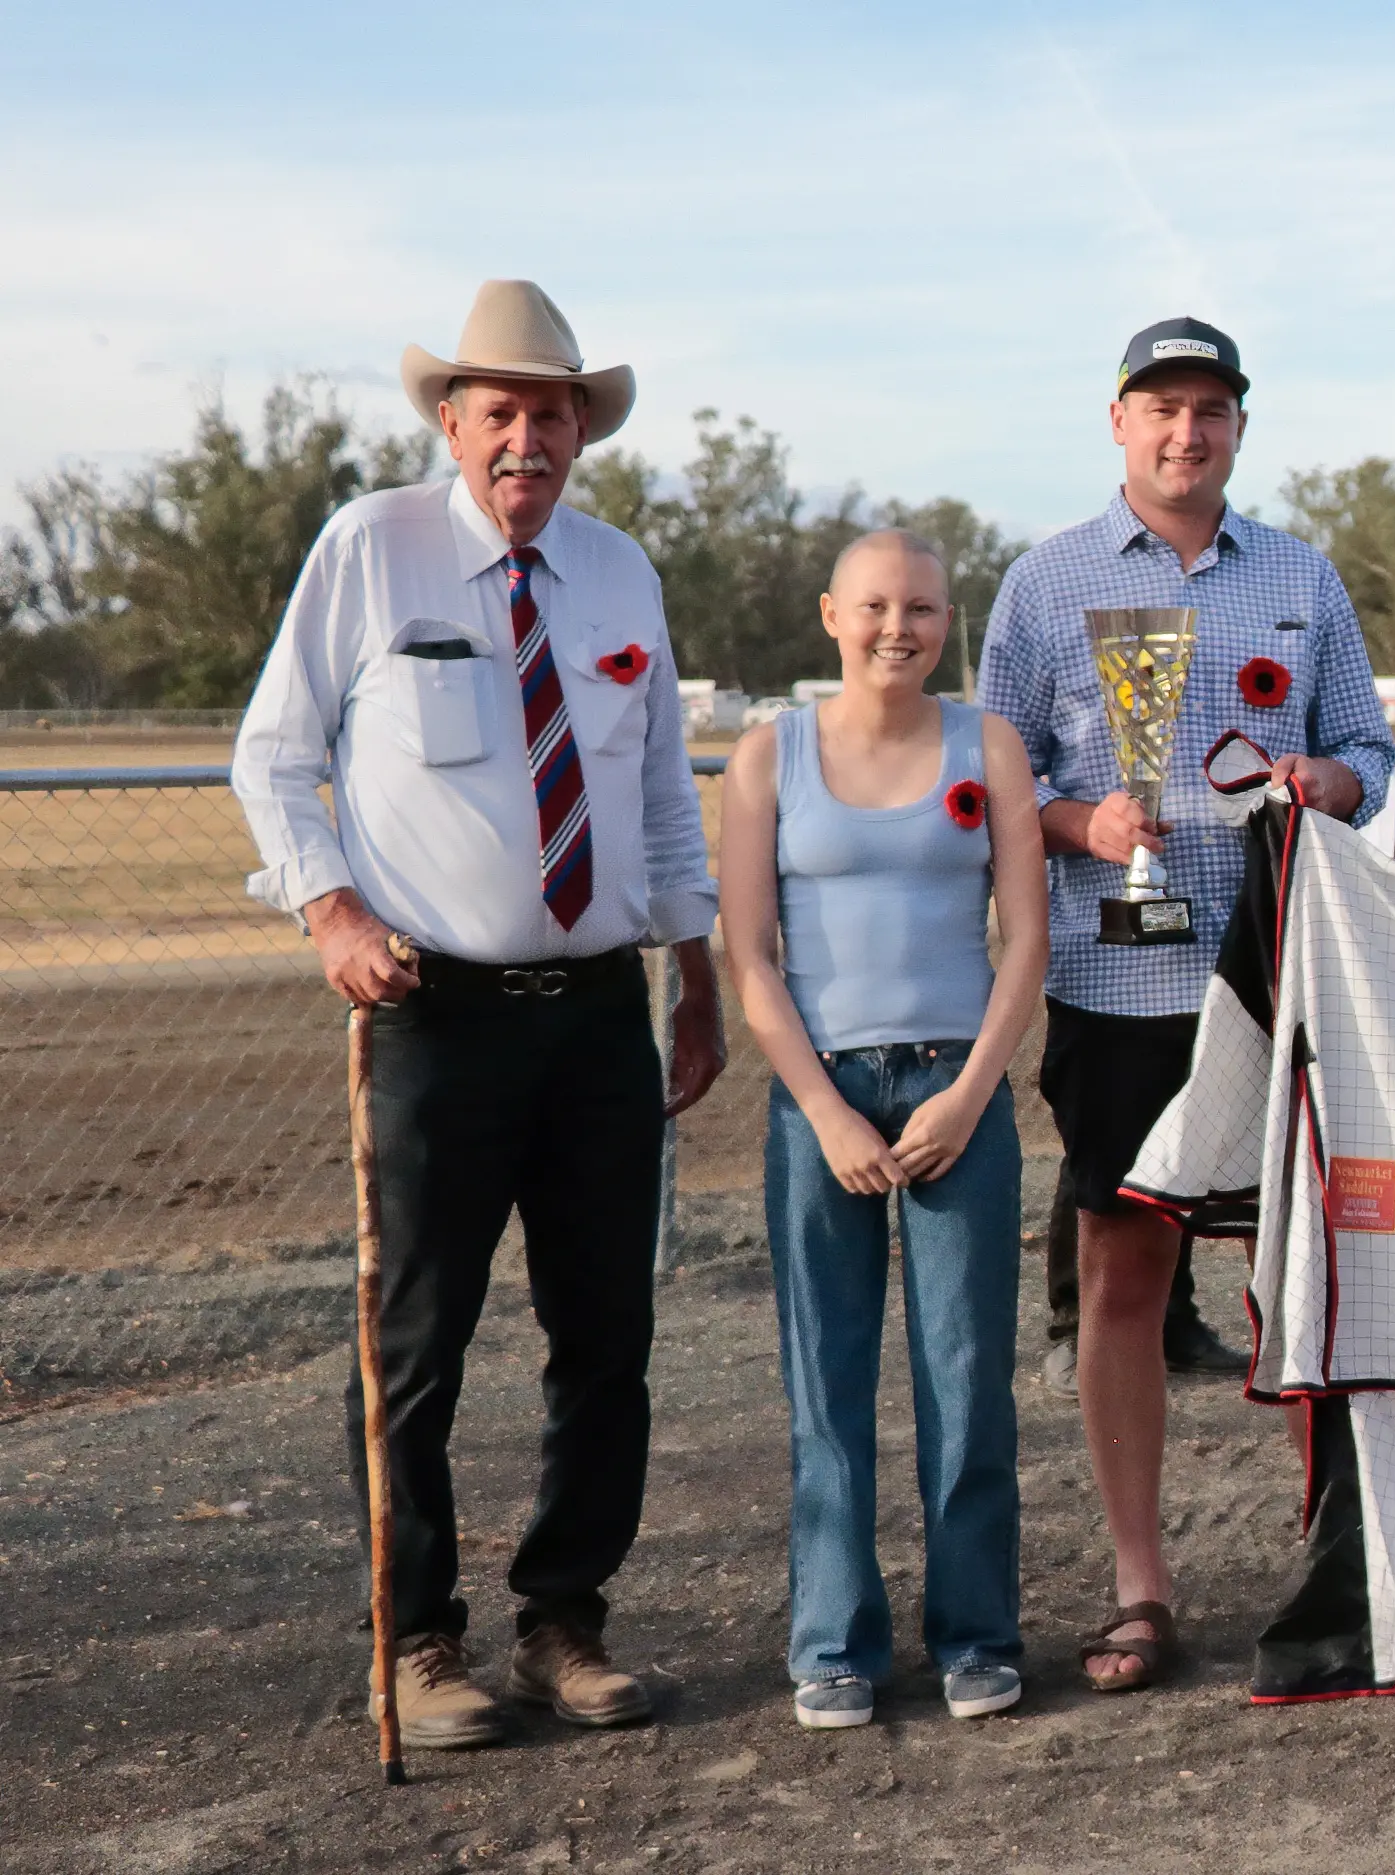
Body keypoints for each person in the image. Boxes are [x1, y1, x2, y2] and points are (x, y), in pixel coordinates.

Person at [230, 280, 723, 1749]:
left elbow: (652, 794)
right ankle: (418, 1639)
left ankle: (563, 1621)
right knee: (417, 1338)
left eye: (552, 410)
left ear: (582, 428)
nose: (527, 436)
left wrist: (693, 980)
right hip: (431, 1013)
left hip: (595, 1018)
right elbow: (271, 753)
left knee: (606, 1332)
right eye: (499, 409)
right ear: (450, 421)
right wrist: (328, 907)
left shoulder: (623, 573)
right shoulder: (370, 549)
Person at [975, 315, 1395, 1693]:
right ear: (1117, 422)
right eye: (1160, 407)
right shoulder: (1045, 584)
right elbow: (996, 780)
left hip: (1283, 970)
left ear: (1236, 428)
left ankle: (1332, 1571)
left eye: (1209, 408)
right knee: (1123, 1272)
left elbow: (1366, 748)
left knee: (1307, 1277)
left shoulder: (1297, 573)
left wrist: (1326, 785)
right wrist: (1080, 821)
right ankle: (1139, 1583)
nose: (1184, 430)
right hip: (1117, 979)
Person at [718, 531, 1047, 1730]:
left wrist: (967, 1096)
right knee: (829, 1376)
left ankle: (974, 1634)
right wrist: (822, 1110)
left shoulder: (987, 747)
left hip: (957, 1091)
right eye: (871, 606)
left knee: (966, 1373)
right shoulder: (769, 758)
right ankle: (834, 1644)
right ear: (828, 616)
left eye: (918, 607)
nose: (894, 627)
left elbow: (1027, 943)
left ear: (948, 623)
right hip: (826, 1102)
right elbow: (749, 957)